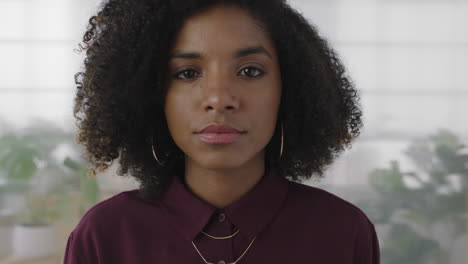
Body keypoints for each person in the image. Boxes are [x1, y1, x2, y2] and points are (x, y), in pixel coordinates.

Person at [64, 0, 380, 263]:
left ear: (292, 89)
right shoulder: (104, 235)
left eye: (250, 71)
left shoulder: (343, 231)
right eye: (187, 73)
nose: (219, 99)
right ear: (149, 94)